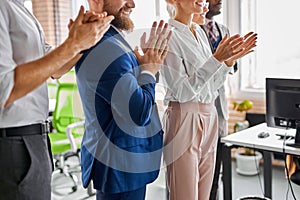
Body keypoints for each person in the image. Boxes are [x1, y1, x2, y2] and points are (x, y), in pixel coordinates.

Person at [0, 0, 114, 199]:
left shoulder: (21, 9)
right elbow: (4, 88)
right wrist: (73, 44)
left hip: (36, 141)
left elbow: (56, 68)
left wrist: (85, 39)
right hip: (13, 145)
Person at [75, 0, 171, 199]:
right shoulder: (105, 48)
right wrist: (149, 72)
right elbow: (138, 113)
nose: (132, 4)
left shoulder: (112, 40)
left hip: (123, 163)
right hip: (120, 165)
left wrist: (146, 67)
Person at [161, 0, 257, 199]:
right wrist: (216, 59)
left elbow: (212, 85)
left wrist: (227, 61)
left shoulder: (200, 33)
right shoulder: (168, 35)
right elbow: (182, 91)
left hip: (209, 113)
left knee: (205, 193)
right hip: (184, 116)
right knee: (184, 195)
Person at [195, 1, 238, 199]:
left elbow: (231, 68)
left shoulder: (224, 30)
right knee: (192, 176)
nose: (219, 1)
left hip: (218, 109)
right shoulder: (190, 30)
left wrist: (233, 58)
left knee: (214, 172)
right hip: (195, 107)